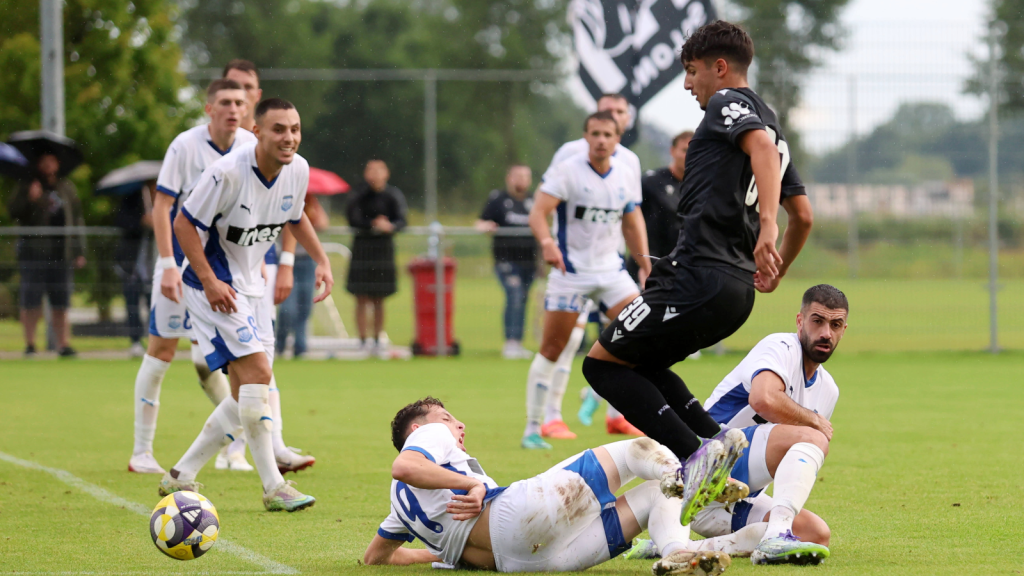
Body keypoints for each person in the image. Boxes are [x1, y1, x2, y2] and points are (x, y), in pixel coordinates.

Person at [581, 20, 815, 525]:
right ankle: (716, 442)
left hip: (696, 277)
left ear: (720, 68)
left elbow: (763, 156)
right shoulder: (773, 125)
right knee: (639, 365)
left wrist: (767, 228)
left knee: (600, 366)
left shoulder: (729, 104)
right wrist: (777, 268)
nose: (689, 84)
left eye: (692, 71)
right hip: (736, 290)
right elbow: (806, 215)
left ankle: (700, 459)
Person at [158, 98, 334, 511]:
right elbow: (183, 223)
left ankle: (181, 474)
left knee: (247, 394)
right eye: (278, 129)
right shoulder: (227, 173)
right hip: (213, 288)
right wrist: (208, 280)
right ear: (257, 131)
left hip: (252, 288)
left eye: (294, 129)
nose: (289, 137)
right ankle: (274, 487)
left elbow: (295, 217)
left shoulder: (298, 169)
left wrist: (321, 259)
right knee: (258, 375)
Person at [364, 397, 764, 573]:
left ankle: (677, 553)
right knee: (638, 449)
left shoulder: (399, 506)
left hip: (528, 563)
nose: (458, 424)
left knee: (656, 493)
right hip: (519, 516)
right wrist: (472, 484)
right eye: (447, 417)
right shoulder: (428, 437)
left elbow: (375, 559)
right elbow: (405, 465)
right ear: (417, 429)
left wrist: (438, 553)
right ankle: (689, 476)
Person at [627, 285, 847, 565]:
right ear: (800, 321)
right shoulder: (781, 347)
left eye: (835, 325)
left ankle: (677, 546)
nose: (826, 332)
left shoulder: (829, 390)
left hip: (733, 498)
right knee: (813, 437)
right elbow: (763, 399)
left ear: (843, 330)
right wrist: (814, 420)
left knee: (815, 535)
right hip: (700, 471)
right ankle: (776, 536)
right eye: (818, 321)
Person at [126, 79, 256, 475]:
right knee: (161, 352)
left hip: (227, 268)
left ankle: (237, 445)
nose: (233, 109)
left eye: (240, 102)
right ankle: (141, 452)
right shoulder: (185, 145)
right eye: (225, 102)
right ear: (209, 108)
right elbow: (163, 205)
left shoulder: (250, 145)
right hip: (182, 263)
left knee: (224, 361)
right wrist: (167, 264)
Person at [520, 111, 650, 450]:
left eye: (608, 134)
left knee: (642, 335)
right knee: (553, 348)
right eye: (595, 134)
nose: (601, 140)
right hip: (571, 273)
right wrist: (547, 243)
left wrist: (644, 263)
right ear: (586, 137)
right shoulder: (568, 170)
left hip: (611, 273)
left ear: (617, 139)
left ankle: (597, 396)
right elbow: (538, 212)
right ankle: (532, 428)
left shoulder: (625, 172)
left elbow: (632, 220)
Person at [582, 131, 697, 433]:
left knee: (647, 346)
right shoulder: (650, 182)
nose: (688, 154)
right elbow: (630, 219)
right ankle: (607, 400)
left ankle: (601, 398)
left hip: (678, 276)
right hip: (643, 272)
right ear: (672, 150)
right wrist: (645, 263)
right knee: (636, 340)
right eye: (683, 149)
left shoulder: (699, 185)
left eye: (693, 149)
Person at [222, 59, 300, 467]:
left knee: (260, 365)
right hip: (217, 273)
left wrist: (285, 261)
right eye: (232, 89)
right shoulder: (222, 151)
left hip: (260, 268)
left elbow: (295, 210)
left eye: (247, 88)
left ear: (257, 94)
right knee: (221, 366)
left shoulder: (280, 142)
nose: (240, 96)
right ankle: (237, 445)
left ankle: (268, 445)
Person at [8, 153, 86, 357]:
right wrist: (30, 199)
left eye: (51, 161)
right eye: (43, 161)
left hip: (62, 253)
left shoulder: (66, 187)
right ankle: (30, 344)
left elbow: (77, 218)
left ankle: (63, 344)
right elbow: (14, 212)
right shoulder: (27, 185)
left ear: (57, 163)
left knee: (61, 301)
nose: (47, 165)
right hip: (33, 252)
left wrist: (79, 250)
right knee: (31, 300)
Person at [475, 165, 537, 360]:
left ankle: (518, 343)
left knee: (523, 299)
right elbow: (480, 222)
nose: (522, 180)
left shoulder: (534, 200)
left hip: (530, 261)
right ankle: (510, 342)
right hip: (506, 260)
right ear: (509, 178)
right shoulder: (498, 199)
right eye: (518, 176)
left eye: (526, 176)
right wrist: (486, 226)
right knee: (515, 294)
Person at [345, 159, 407, 355]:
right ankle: (362, 340)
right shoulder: (358, 194)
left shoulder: (393, 195)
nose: (375, 175)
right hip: (362, 250)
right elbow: (352, 219)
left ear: (386, 173)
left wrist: (390, 226)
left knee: (379, 298)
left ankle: (378, 338)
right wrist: (372, 224)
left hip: (383, 252)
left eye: (379, 170)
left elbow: (402, 220)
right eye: (371, 170)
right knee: (361, 297)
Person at [276, 195, 329, 358]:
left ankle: (300, 347)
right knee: (288, 308)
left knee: (305, 306)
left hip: (307, 261)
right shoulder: (283, 201)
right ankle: (280, 344)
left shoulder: (311, 204)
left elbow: (323, 224)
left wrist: (311, 207)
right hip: (286, 261)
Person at [112, 181, 155, 357]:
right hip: (132, 263)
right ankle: (135, 341)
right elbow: (121, 221)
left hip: (156, 263)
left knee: (155, 304)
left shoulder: (167, 200)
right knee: (132, 302)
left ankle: (155, 341)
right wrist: (141, 221)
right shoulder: (132, 199)